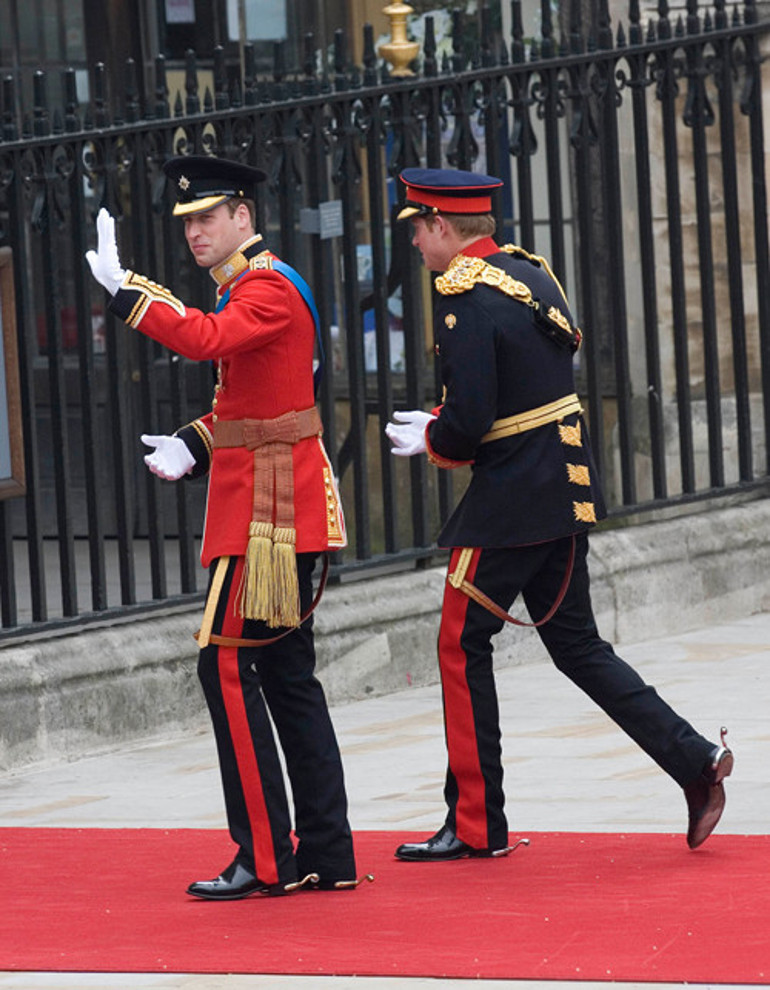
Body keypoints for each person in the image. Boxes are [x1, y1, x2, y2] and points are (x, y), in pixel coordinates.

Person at [385, 166, 733, 862]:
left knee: (459, 643)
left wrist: (435, 436)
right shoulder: (530, 271)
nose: (417, 244)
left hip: (512, 500)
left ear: (441, 226)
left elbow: (471, 419)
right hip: (565, 484)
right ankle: (694, 761)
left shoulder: (461, 292)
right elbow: (535, 374)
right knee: (577, 647)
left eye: (419, 229)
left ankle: (476, 824)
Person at [86, 155, 367, 898]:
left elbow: (206, 340)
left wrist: (128, 290)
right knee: (287, 676)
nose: (194, 232)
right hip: (273, 505)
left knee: (226, 668)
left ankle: (267, 857)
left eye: (208, 217)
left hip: (269, 516)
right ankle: (328, 851)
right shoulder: (252, 285)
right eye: (186, 221)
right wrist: (195, 442)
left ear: (244, 215)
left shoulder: (265, 286)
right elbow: (258, 403)